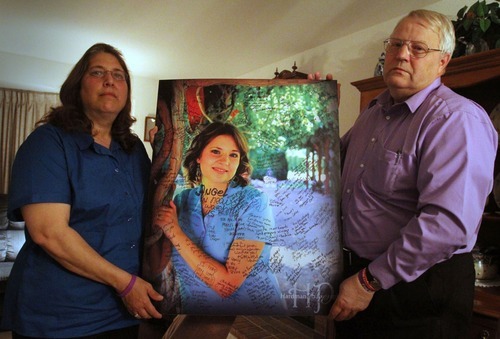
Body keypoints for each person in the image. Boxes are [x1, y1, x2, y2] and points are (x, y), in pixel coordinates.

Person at [328, 9, 498, 339]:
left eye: (418, 48)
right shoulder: (372, 114)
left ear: (443, 61)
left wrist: (367, 282)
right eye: (395, 44)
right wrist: (311, 111)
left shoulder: (456, 119)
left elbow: (446, 225)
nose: (402, 54)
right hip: (361, 280)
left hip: (417, 293)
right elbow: (329, 166)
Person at [3, 43, 163, 338]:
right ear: (77, 86)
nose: (109, 81)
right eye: (98, 72)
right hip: (60, 317)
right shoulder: (48, 144)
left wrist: (166, 148)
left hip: (122, 313)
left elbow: (158, 210)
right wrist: (126, 283)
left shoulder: (134, 149)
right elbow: (49, 233)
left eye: (119, 75)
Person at [154, 121, 285, 316]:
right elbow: (155, 266)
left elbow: (227, 285)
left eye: (233, 154)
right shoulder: (182, 202)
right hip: (199, 319)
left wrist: (174, 232)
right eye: (216, 151)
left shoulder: (255, 203)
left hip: (254, 321)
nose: (225, 161)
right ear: (198, 156)